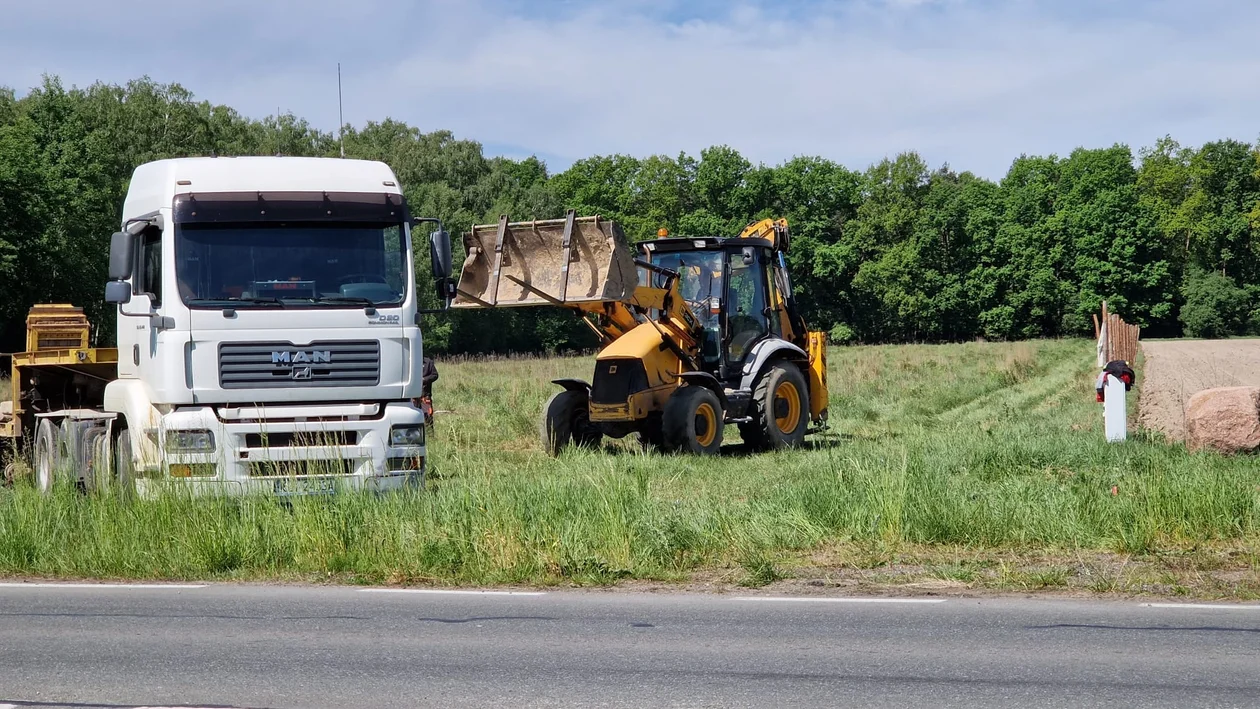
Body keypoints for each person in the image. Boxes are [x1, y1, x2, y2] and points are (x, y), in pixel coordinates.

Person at [420, 356, 439, 426]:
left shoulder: (428, 362)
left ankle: (430, 436)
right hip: (411, 397)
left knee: (428, 418)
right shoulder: (409, 360)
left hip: (425, 396)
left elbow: (435, 375)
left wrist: (424, 380)